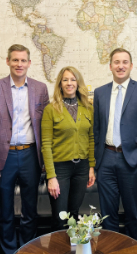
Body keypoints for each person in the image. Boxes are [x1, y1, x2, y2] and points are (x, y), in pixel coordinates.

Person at [0, 44, 49, 254]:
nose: (19, 64)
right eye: (15, 60)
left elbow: (46, 126)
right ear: (8, 61)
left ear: (29, 63)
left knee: (30, 209)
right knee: (6, 210)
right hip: (4, 157)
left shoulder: (40, 88)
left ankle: (27, 250)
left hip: (31, 156)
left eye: (23, 60)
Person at [93, 48, 137, 242]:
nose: (121, 66)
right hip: (105, 160)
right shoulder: (100, 93)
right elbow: (96, 129)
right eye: (117, 62)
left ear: (131, 65)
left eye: (125, 62)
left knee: (132, 214)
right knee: (107, 215)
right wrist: (95, 161)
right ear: (110, 66)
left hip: (132, 160)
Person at [41, 66, 95, 230]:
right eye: (65, 80)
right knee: (60, 215)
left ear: (78, 83)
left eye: (73, 79)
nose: (69, 83)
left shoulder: (88, 108)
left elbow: (91, 139)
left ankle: (72, 253)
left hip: (82, 168)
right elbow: (46, 144)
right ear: (60, 84)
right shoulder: (51, 109)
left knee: (73, 213)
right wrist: (51, 176)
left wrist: (91, 167)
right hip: (60, 169)